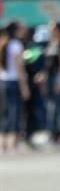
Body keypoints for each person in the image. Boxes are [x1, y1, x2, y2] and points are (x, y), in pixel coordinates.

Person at [1, 22, 30, 153]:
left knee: (4, 113)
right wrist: (24, 87)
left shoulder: (2, 44)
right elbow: (20, 69)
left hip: (2, 82)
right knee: (14, 112)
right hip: (14, 82)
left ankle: (3, 144)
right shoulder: (16, 46)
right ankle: (12, 143)